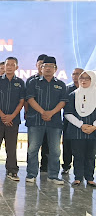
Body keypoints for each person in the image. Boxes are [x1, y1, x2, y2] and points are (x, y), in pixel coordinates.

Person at [25, 56, 67, 184]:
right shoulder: (33, 82)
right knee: (33, 149)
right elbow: (30, 99)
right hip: (36, 121)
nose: (48, 69)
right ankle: (31, 174)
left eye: (51, 66)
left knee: (55, 150)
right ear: (41, 68)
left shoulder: (60, 84)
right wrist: (43, 112)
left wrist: (51, 113)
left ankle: (53, 175)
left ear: (56, 69)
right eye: (45, 66)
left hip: (54, 123)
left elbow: (63, 102)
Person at [0, 57, 24, 181]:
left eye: (12, 65)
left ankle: (12, 170)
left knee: (11, 146)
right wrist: (2, 115)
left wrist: (11, 116)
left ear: (16, 67)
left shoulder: (20, 83)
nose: (9, 67)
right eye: (7, 64)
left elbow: (22, 101)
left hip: (13, 120)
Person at [64, 70, 96, 187]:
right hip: (77, 130)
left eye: (87, 78)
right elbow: (67, 113)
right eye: (82, 78)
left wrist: (94, 126)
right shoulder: (73, 95)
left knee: (90, 155)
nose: (84, 81)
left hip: (93, 131)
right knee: (78, 155)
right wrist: (81, 125)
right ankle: (78, 177)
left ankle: (90, 178)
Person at [26, 54, 49, 172]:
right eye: (40, 64)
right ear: (36, 65)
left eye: (44, 65)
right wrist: (26, 112)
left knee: (48, 145)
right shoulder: (31, 80)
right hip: (34, 118)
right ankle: (31, 170)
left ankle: (45, 167)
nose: (42, 67)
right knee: (33, 146)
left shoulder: (53, 82)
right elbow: (27, 100)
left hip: (49, 119)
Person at [61, 68, 83, 174]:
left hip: (83, 122)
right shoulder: (67, 89)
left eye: (77, 74)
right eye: (73, 74)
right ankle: (66, 166)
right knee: (67, 144)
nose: (75, 76)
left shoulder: (89, 89)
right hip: (68, 121)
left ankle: (80, 169)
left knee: (81, 146)